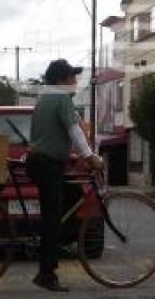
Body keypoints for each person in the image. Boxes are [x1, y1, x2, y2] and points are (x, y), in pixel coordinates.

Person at [26, 59, 103, 292]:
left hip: (42, 162)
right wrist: (90, 157)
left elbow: (64, 131)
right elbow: (74, 131)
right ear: (62, 80)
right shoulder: (61, 98)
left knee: (72, 194)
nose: (76, 82)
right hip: (47, 165)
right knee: (51, 219)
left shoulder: (44, 98)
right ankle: (46, 274)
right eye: (72, 77)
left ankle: (57, 242)